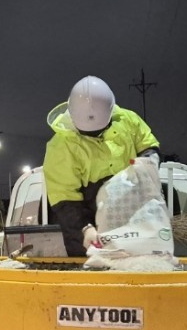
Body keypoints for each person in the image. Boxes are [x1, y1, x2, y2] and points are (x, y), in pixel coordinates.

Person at [43, 75, 161, 256]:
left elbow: (147, 144)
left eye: (100, 130)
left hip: (132, 217)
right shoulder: (60, 147)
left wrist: (148, 161)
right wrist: (85, 228)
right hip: (87, 224)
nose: (95, 135)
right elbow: (64, 198)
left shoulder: (127, 120)